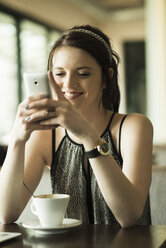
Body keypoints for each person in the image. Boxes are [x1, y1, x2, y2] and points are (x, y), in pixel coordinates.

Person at [0, 25, 153, 227]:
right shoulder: (46, 135)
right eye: (60, 74)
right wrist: (17, 141)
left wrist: (88, 136)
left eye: (83, 74)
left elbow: (129, 216)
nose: (69, 84)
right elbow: (6, 213)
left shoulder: (134, 126)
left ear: (107, 78)